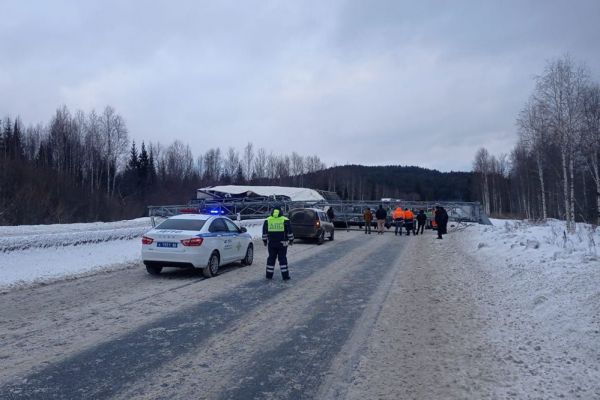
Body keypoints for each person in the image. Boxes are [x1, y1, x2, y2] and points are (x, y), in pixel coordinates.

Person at [262, 205, 294, 280]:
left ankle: (269, 275)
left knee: (271, 259)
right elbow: (289, 232)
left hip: (271, 243)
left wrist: (265, 241)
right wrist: (291, 240)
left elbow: (264, 233)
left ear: (272, 212)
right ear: (281, 211)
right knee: (282, 259)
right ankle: (285, 276)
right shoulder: (285, 220)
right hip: (283, 243)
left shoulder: (268, 220)